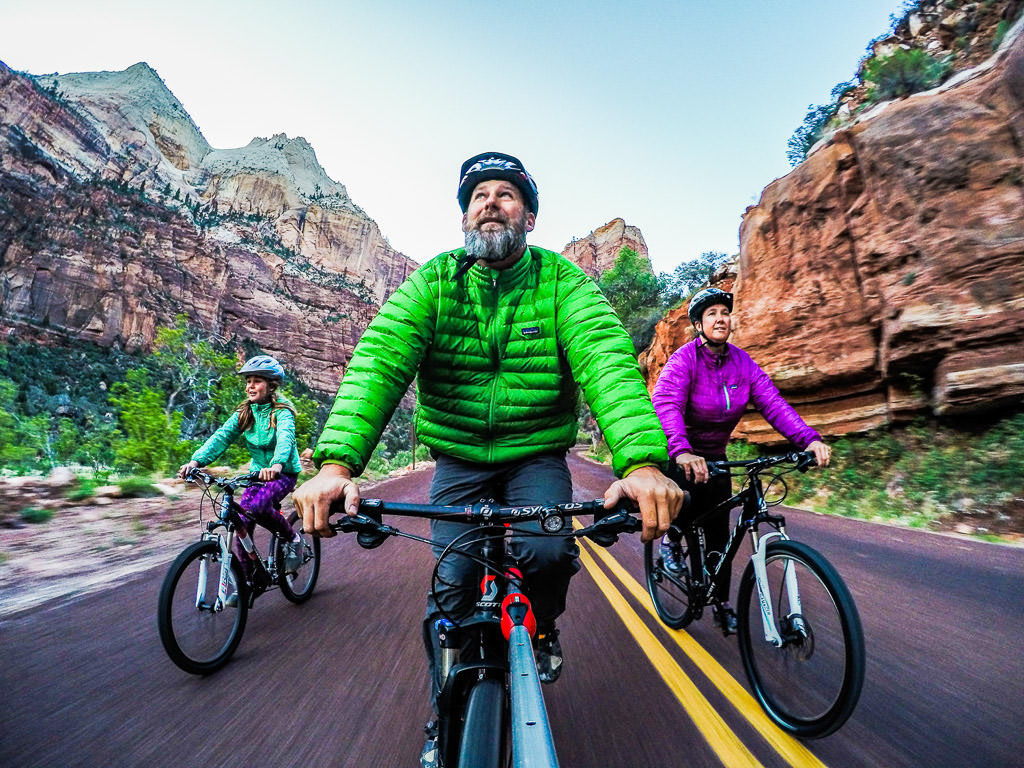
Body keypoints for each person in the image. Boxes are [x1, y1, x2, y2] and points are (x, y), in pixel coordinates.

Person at [292, 151, 684, 768]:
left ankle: (545, 626)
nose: (490, 202)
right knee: (451, 583)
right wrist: (338, 466)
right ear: (465, 216)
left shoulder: (563, 283)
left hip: (537, 457)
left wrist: (639, 464)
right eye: (478, 195)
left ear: (528, 217)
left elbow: (606, 361)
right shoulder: (434, 283)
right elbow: (379, 361)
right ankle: (441, 708)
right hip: (458, 461)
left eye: (506, 193)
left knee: (550, 553)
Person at [651, 287, 831, 635]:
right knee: (684, 507)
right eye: (712, 314)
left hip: (717, 458)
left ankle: (720, 601)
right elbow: (667, 404)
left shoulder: (742, 363)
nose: (720, 318)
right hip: (681, 451)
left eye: (724, 312)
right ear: (699, 324)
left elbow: (773, 404)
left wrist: (809, 439)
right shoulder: (684, 360)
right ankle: (671, 540)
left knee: (720, 537)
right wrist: (682, 450)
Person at [178, 355, 305, 603]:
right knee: (241, 525)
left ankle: (293, 540)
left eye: (257, 381)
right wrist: (196, 462)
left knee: (258, 507)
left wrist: (277, 464)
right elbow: (221, 437)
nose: (250, 386)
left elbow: (286, 439)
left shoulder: (283, 411)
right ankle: (251, 581)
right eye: (248, 381)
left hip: (283, 472)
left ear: (271, 385)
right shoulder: (245, 412)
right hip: (256, 474)